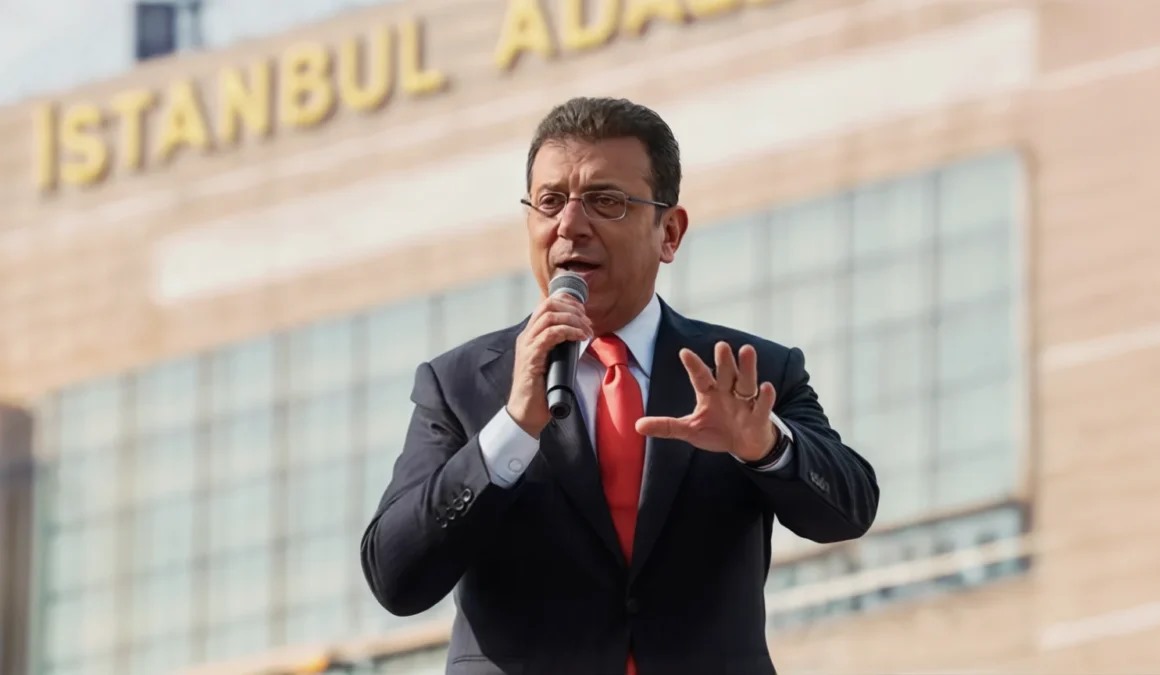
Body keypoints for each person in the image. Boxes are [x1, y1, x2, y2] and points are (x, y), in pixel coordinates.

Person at [360, 97, 879, 675]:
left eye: (605, 201)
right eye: (550, 202)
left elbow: (848, 512)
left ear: (669, 233)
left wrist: (766, 446)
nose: (569, 226)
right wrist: (510, 429)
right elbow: (396, 578)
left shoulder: (747, 373)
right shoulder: (460, 385)